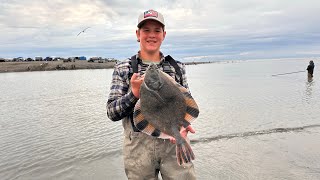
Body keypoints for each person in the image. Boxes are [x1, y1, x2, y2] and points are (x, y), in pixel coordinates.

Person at [106, 9, 197, 179]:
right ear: (137, 34)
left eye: (157, 30)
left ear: (164, 35)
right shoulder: (123, 68)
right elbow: (112, 113)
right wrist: (133, 94)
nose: (151, 35)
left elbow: (186, 101)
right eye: (146, 30)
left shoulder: (177, 67)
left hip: (173, 143)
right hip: (138, 148)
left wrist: (183, 128)